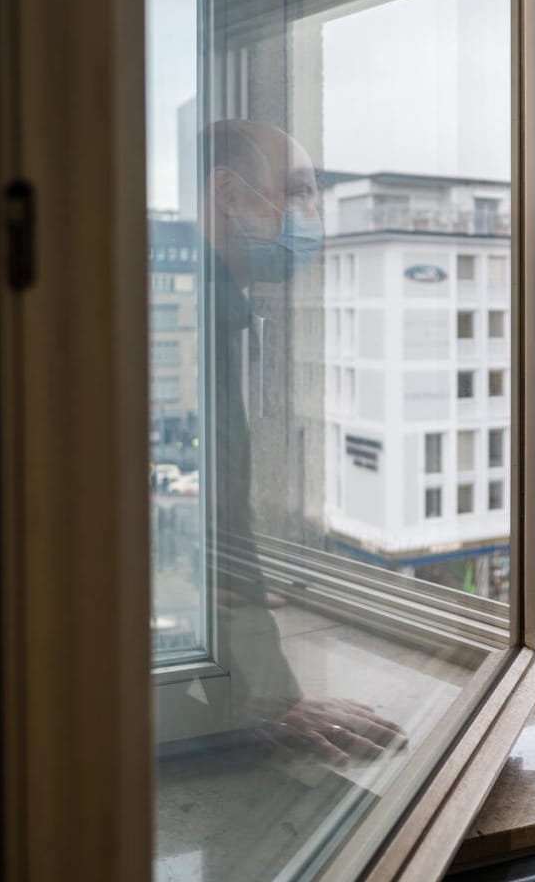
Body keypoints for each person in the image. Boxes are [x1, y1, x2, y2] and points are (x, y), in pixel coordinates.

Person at [201, 119, 405, 764]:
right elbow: (212, 522)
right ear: (229, 193)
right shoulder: (183, 314)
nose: (314, 214)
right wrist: (270, 699)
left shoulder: (211, 300)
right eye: (298, 192)